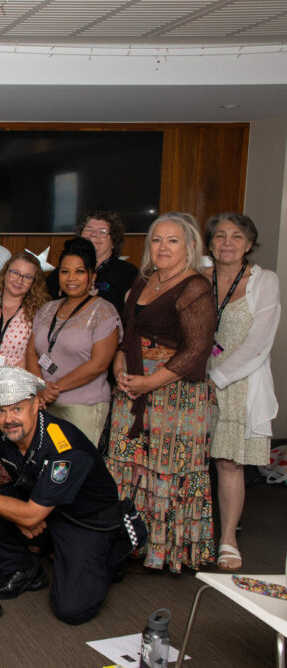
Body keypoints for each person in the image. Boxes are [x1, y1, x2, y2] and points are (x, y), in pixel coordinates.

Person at [0, 366, 135, 625]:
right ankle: (24, 570)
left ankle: (109, 558)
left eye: (17, 408)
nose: (8, 419)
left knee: (72, 610)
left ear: (37, 403)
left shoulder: (64, 447)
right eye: (1, 410)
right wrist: (19, 516)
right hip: (39, 504)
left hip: (84, 520)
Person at [107, 212, 217, 573]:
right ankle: (132, 540)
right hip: (132, 387)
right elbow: (127, 334)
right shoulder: (142, 281)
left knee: (167, 470)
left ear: (189, 246)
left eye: (172, 240)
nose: (163, 247)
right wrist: (119, 369)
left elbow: (197, 350)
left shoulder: (196, 287)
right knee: (129, 464)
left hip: (176, 396)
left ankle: (165, 549)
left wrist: (150, 383)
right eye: (157, 240)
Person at [203, 212, 280, 571]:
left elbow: (260, 342)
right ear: (210, 244)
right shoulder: (199, 278)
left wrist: (218, 380)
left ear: (250, 244)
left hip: (238, 382)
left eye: (237, 237)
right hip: (194, 380)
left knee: (228, 461)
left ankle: (228, 539)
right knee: (191, 459)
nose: (228, 243)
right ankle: (193, 530)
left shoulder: (264, 281)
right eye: (220, 236)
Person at [27, 239, 120, 446]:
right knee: (49, 467)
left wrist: (54, 388)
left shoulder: (104, 311)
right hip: (44, 404)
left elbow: (99, 364)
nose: (71, 278)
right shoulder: (47, 309)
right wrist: (41, 387)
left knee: (77, 468)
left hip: (83, 406)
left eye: (79, 272)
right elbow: (31, 352)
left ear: (92, 276)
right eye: (64, 271)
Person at [0, 251, 49, 443]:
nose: (19, 280)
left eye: (27, 277)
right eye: (15, 273)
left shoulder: (38, 312)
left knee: (8, 443)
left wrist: (6, 378)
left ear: (34, 283)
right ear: (5, 273)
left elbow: (34, 351)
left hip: (15, 389)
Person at [47, 211, 139, 313]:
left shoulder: (127, 273)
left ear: (114, 241)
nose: (94, 234)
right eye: (88, 230)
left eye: (102, 231)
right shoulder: (62, 271)